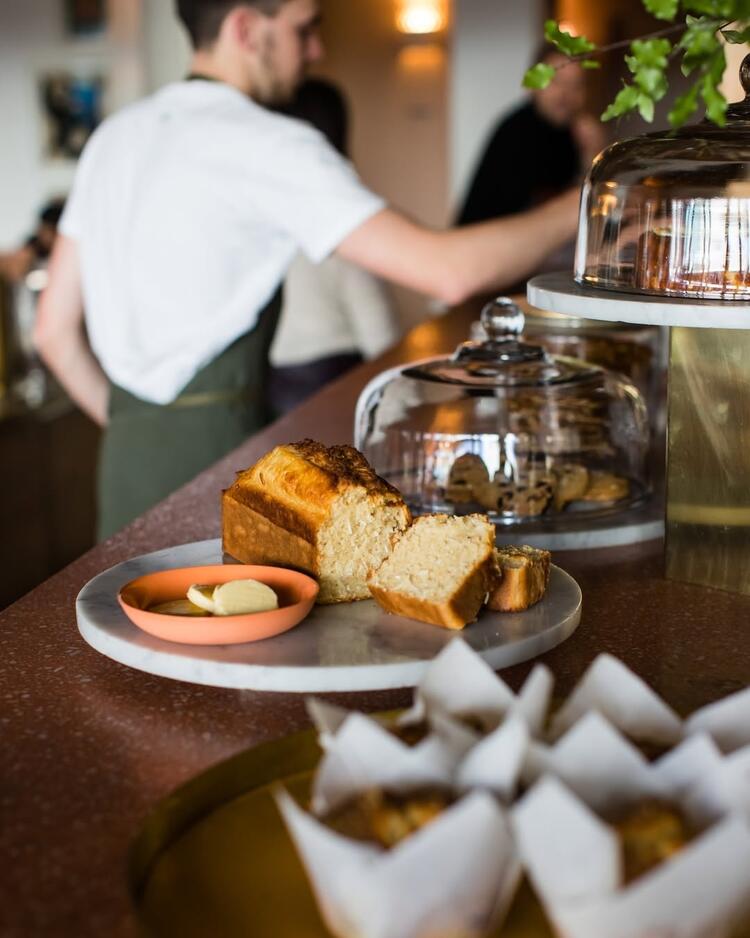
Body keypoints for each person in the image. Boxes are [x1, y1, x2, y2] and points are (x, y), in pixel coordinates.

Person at [34, 0, 581, 540]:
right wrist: (588, 200)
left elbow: (53, 333)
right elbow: (448, 271)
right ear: (245, 28)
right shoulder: (265, 140)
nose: (315, 51)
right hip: (218, 464)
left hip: (123, 469)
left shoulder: (114, 137)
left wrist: (144, 435)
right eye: (304, 28)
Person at [269, 78, 401, 415]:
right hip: (334, 378)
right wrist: (400, 403)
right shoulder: (337, 209)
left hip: (275, 385)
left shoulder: (265, 206)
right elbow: (374, 318)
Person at [456, 49, 606, 226]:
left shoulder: (574, 135)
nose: (565, 94)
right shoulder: (515, 132)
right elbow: (539, 214)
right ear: (532, 84)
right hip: (487, 241)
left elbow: (585, 207)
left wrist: (593, 156)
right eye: (556, 82)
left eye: (575, 85)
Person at [0, 198, 65, 285]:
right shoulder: (30, 248)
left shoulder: (66, 253)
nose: (46, 237)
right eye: (43, 230)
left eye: (51, 231)